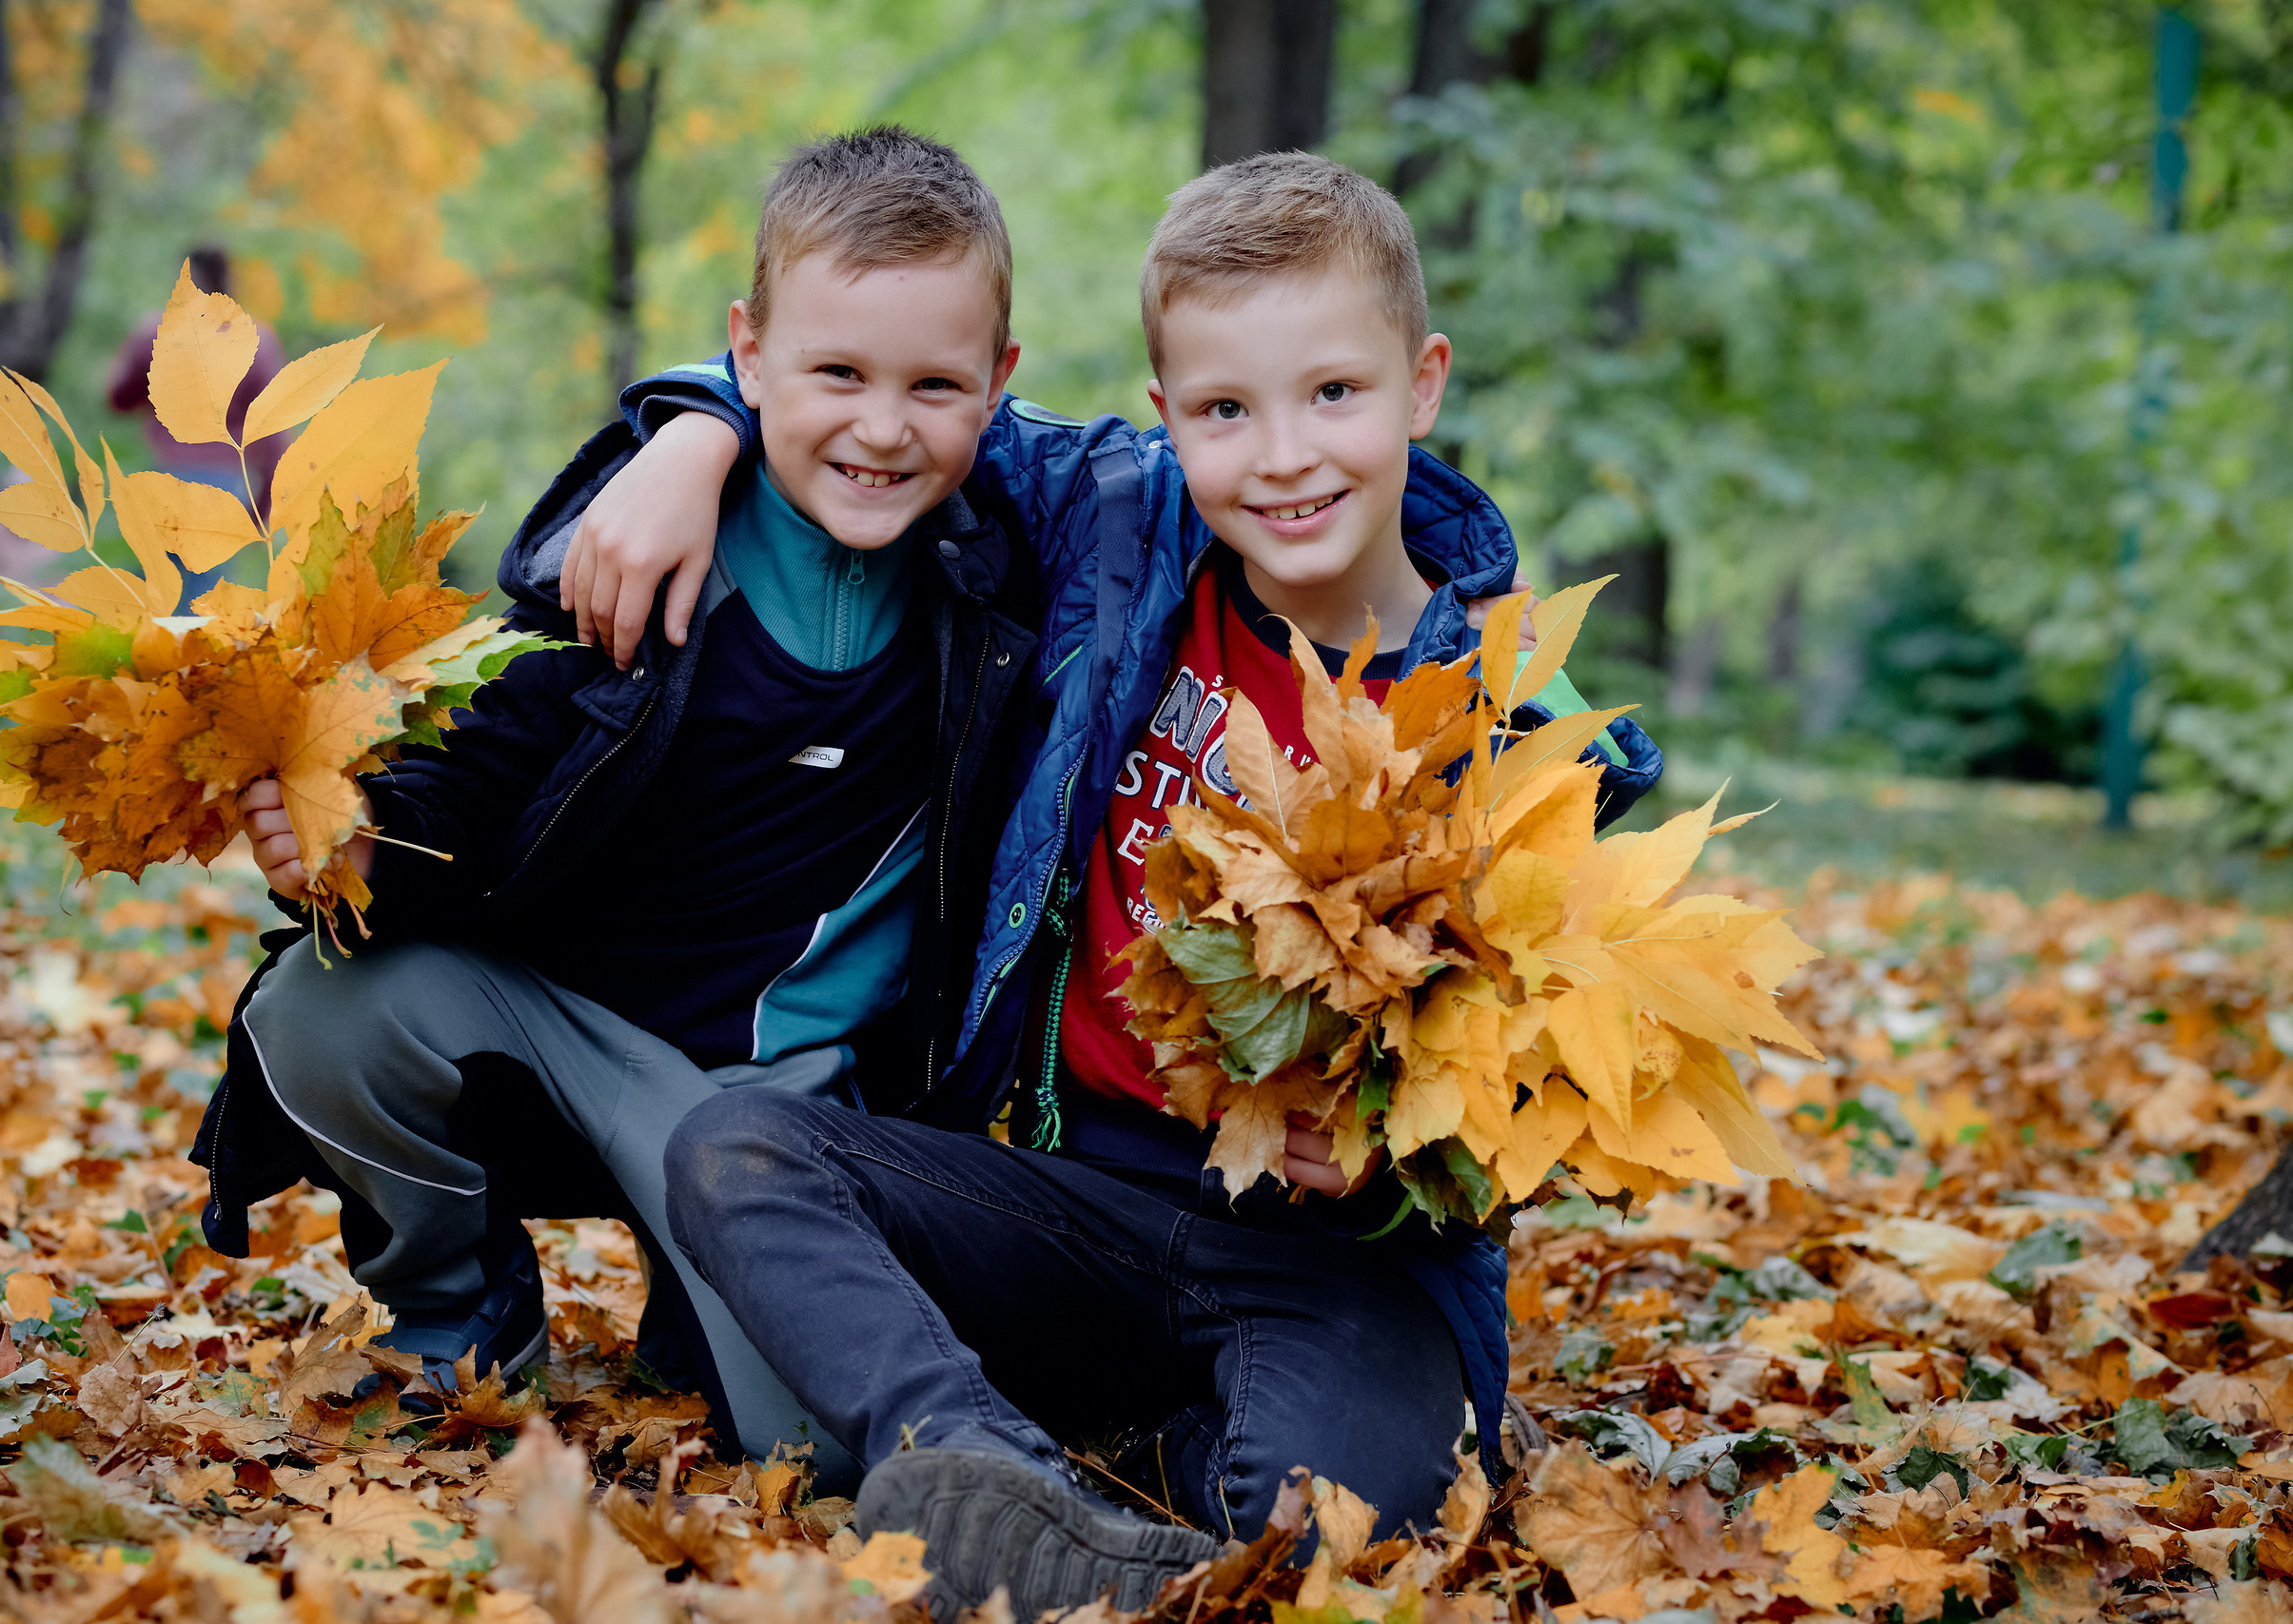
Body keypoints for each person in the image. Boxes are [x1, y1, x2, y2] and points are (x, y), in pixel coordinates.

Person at [565, 152, 1663, 1619]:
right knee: (740, 1150)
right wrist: (688, 431)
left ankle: (1148, 1497)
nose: (1282, 456)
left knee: (1317, 1522)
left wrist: (1418, 1148)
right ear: (1168, 417)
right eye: (1225, 409)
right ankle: (968, 1454)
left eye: (1333, 394)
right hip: (1067, 1197)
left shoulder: (1516, 715)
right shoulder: (1117, 534)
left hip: (1328, 1263)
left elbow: (1581, 1079)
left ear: (1424, 382)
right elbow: (887, 391)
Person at [188, 130, 1046, 1487]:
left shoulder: (1005, 578)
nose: (883, 426)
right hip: (560, 1030)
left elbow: (1221, 459)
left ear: (998, 385)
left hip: (775, 1106)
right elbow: (492, 763)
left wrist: (692, 419)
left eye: (933, 384)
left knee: (811, 1450)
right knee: (322, 1008)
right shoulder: (641, 550)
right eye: (836, 372)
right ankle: (460, 1317)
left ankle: (692, 1298)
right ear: (750, 352)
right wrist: (351, 845)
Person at [105, 245, 289, 604]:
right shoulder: (257, 342)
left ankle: (157, 656)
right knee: (204, 601)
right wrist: (263, 511)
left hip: (166, 479)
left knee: (159, 596)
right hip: (223, 487)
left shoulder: (155, 335)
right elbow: (275, 434)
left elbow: (118, 399)